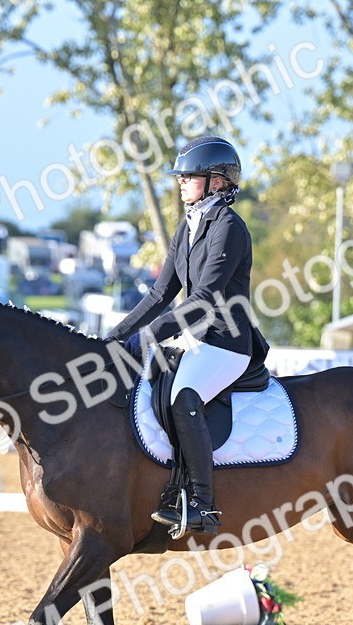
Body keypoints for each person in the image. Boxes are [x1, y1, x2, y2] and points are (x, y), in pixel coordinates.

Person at [104, 136, 257, 534]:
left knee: (184, 397)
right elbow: (160, 293)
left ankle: (203, 503)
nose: (181, 182)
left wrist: (151, 335)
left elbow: (205, 298)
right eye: (182, 176)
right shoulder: (188, 225)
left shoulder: (229, 228)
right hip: (196, 340)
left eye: (189, 176)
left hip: (226, 343)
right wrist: (117, 335)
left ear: (217, 182)